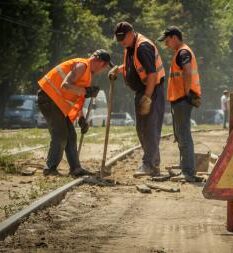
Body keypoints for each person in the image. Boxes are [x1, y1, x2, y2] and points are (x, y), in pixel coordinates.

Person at [38, 49, 114, 177]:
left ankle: (75, 168)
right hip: (49, 98)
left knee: (71, 136)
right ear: (99, 61)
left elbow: (77, 98)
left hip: (57, 102)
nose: (103, 69)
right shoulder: (82, 65)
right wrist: (85, 91)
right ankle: (50, 168)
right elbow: (65, 85)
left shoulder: (87, 74)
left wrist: (81, 118)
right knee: (61, 135)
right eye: (104, 66)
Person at [108, 22, 165, 177]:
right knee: (141, 129)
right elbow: (133, 66)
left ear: (131, 32)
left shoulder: (142, 47)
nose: (121, 42)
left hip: (152, 90)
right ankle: (153, 163)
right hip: (143, 91)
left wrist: (147, 97)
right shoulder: (130, 47)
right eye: (119, 39)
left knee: (149, 129)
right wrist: (118, 70)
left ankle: (149, 164)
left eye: (123, 38)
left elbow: (152, 75)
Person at [158, 26, 202, 182]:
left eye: (167, 40)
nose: (166, 44)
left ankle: (188, 172)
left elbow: (188, 71)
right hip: (180, 99)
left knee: (184, 135)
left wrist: (186, 93)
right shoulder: (180, 52)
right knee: (181, 135)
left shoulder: (183, 52)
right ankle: (185, 169)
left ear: (175, 37)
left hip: (183, 99)